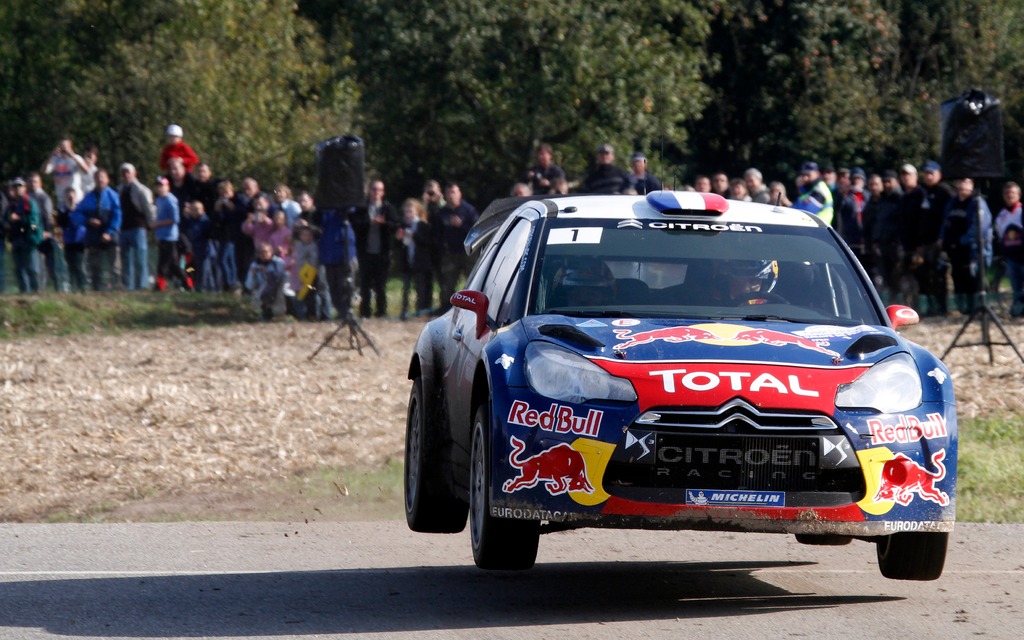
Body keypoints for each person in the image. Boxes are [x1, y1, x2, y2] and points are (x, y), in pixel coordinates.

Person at [940, 178, 992, 315]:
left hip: (972, 252)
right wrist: (944, 240)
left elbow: (979, 228)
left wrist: (961, 241)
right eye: (960, 181)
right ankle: (962, 310)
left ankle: (975, 310)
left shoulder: (977, 202)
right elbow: (945, 223)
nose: (962, 184)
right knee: (958, 280)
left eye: (966, 181)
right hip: (954, 251)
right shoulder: (952, 202)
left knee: (973, 282)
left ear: (972, 184)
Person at [350, 179, 398, 318]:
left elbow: (395, 225)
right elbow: (355, 224)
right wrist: (369, 222)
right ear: (369, 191)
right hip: (365, 252)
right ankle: (365, 312)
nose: (376, 192)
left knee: (381, 285)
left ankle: (381, 312)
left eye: (379, 190)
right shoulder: (362, 208)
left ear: (383, 192)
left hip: (382, 253)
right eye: (374, 189)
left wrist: (384, 223)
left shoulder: (388, 208)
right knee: (365, 284)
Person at [434, 182, 479, 313]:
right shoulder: (442, 212)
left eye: (453, 192)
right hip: (450, 253)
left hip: (468, 253)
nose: (451, 195)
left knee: (472, 282)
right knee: (448, 283)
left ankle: (473, 309)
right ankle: (446, 310)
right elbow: (438, 232)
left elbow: (477, 231)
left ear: (459, 194)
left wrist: (461, 225)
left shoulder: (469, 210)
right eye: (448, 193)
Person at [77, 168, 121, 291]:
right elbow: (78, 213)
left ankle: (116, 288)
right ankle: (97, 288)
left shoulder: (113, 196)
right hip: (93, 235)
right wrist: (88, 221)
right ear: (94, 179)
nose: (100, 179)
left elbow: (117, 215)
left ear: (107, 179)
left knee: (114, 265)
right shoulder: (88, 197)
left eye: (103, 177)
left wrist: (109, 232)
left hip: (110, 236)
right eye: (98, 177)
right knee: (95, 264)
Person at [118, 163, 155, 291]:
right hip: (124, 228)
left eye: (128, 172)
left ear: (134, 173)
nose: (126, 175)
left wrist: (150, 225)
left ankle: (142, 285)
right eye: (123, 173)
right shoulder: (120, 189)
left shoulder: (141, 190)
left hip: (138, 227)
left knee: (140, 257)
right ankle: (128, 285)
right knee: (126, 258)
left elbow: (149, 209)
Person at [396, 198, 434, 320]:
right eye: (406, 211)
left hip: (420, 262)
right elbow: (398, 245)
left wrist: (414, 235)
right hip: (407, 261)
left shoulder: (423, 225)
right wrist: (399, 238)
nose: (408, 214)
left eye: (410, 211)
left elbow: (428, 242)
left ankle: (420, 311)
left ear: (417, 212)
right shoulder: (403, 225)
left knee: (420, 288)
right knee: (406, 288)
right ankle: (404, 312)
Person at [152, 176, 190, 291]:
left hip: (170, 237)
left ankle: (160, 285)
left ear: (167, 187)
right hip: (162, 235)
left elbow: (175, 219)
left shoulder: (170, 200)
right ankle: (187, 283)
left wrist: (158, 224)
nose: (160, 189)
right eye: (158, 186)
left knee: (163, 263)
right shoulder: (158, 199)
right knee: (172, 263)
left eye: (162, 186)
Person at [5, 178, 43, 293]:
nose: (17, 189)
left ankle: (36, 292)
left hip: (28, 240)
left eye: (20, 186)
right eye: (15, 187)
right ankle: (24, 293)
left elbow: (34, 222)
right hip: (16, 239)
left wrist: (20, 220)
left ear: (25, 188)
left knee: (32, 269)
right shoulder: (11, 205)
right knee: (19, 269)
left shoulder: (29, 202)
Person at [28, 172, 64, 292]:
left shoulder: (44, 198)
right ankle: (39, 291)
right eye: (31, 181)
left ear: (40, 183)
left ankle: (58, 290)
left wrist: (47, 232)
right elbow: (30, 220)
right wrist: (33, 231)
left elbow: (48, 218)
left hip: (46, 237)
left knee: (51, 267)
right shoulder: (27, 198)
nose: (33, 184)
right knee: (36, 267)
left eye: (35, 181)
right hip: (34, 237)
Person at [996, 182, 1024, 317]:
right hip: (1012, 258)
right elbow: (1002, 236)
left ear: (1018, 195)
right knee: (1015, 287)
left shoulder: (1021, 212)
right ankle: (1018, 311)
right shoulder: (1001, 216)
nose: (1009, 196)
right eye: (1007, 194)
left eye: (1012, 193)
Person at [245, 242, 288, 320]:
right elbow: (249, 285)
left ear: (271, 252)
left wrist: (268, 272)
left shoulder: (278, 262)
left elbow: (283, 277)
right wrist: (253, 275)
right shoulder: (254, 265)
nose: (263, 254)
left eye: (266, 252)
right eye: (260, 252)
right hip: (263, 290)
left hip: (278, 289)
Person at [56, 188, 88, 292]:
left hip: (79, 241)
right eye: (68, 196)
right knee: (70, 265)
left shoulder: (81, 209)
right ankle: (73, 287)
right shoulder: (62, 211)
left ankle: (83, 287)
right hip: (68, 242)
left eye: (72, 196)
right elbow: (60, 223)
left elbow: (79, 223)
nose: (70, 198)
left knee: (79, 265)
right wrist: (67, 210)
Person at [41, 136, 89, 203]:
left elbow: (86, 170)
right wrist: (51, 155)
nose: (63, 149)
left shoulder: (76, 158)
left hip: (76, 199)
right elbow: (43, 171)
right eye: (61, 146)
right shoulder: (55, 159)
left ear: (70, 147)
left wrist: (72, 155)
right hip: (61, 199)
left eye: (65, 146)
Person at [214, 180, 242, 292]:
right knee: (227, 259)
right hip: (223, 235)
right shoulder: (220, 204)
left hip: (232, 235)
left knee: (225, 259)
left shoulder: (237, 201)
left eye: (226, 192)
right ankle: (230, 282)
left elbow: (239, 215)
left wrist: (233, 208)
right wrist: (217, 210)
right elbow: (217, 221)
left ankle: (231, 282)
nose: (224, 195)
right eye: (222, 193)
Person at [793, 161, 834, 226]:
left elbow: (805, 212)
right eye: (803, 175)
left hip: (818, 230)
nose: (805, 178)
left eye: (808, 175)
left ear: (817, 174)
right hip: (812, 229)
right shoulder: (810, 189)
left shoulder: (819, 190)